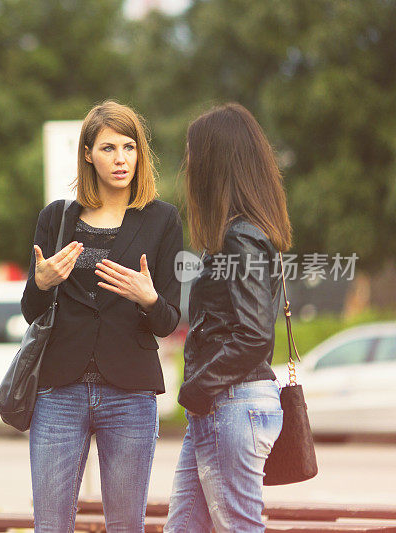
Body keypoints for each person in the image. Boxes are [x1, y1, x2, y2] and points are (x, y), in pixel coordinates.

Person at [22, 101, 183, 532]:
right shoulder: (56, 217)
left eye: (129, 147)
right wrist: (42, 282)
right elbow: (30, 312)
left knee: (126, 526)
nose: (120, 159)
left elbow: (168, 321)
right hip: (59, 389)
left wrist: (147, 298)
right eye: (109, 148)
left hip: (130, 393)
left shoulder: (163, 219)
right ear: (88, 153)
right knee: (51, 526)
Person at [164, 103, 292, 533]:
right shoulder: (241, 235)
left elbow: (254, 335)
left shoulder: (241, 237)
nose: (189, 165)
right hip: (222, 405)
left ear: (217, 162)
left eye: (193, 154)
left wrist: (197, 388)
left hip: (230, 404)